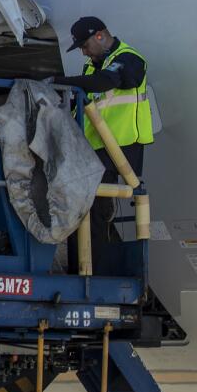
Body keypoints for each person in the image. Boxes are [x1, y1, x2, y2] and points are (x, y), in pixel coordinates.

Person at [50, 16, 154, 273]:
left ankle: (92, 273)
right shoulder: (92, 67)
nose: (84, 52)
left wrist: (57, 82)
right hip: (94, 150)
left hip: (120, 148)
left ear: (100, 36)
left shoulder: (129, 60)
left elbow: (106, 83)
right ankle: (82, 270)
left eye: (85, 46)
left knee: (95, 211)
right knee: (83, 209)